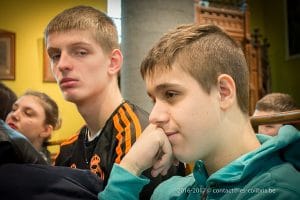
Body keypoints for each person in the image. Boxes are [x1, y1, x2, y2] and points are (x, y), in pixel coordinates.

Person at [99, 24, 300, 199]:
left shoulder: (279, 192)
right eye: (153, 100)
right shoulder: (170, 192)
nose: (153, 117)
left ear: (223, 92)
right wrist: (130, 167)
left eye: (170, 94)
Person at [44, 5, 184, 199]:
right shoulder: (68, 147)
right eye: (55, 55)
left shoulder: (138, 135)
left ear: (113, 62)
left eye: (80, 52)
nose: (62, 65)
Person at [5, 90, 61, 164]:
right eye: (13, 109)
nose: (14, 115)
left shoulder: (41, 172)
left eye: (28, 113)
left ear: (46, 130)